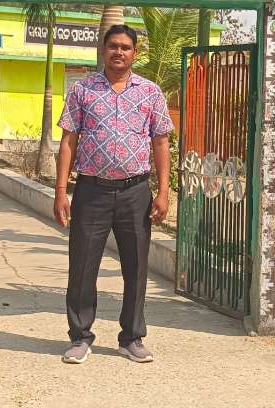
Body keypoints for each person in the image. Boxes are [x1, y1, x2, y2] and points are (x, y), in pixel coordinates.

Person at [54, 24, 173, 364]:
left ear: (135, 53)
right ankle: (80, 337)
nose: (118, 52)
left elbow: (161, 142)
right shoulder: (83, 90)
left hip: (136, 192)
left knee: (136, 267)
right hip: (91, 191)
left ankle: (132, 337)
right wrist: (61, 191)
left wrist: (163, 192)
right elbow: (68, 140)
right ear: (103, 50)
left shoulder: (150, 92)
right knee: (82, 266)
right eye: (113, 46)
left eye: (125, 47)